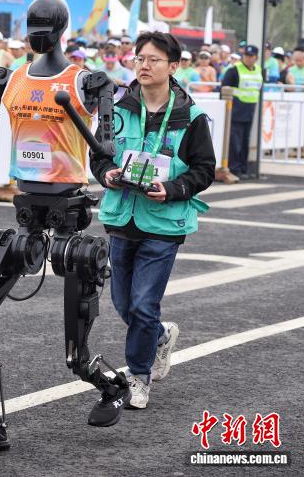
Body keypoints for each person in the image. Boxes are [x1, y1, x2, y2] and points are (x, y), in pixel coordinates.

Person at [91, 31, 215, 410]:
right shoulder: (116, 108)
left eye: (154, 60)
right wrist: (107, 173)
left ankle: (139, 376)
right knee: (124, 303)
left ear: (173, 66)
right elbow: (99, 154)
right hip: (122, 216)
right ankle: (159, 336)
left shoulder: (191, 117)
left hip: (164, 222)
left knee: (144, 304)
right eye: (139, 58)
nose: (144, 65)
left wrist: (173, 188)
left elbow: (204, 169)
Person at [221, 44, 263, 178]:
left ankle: (243, 168)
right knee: (235, 142)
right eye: (246, 55)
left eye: (251, 56)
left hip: (250, 111)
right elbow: (224, 89)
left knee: (245, 142)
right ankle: (235, 169)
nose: (248, 58)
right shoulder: (234, 70)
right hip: (236, 111)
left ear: (256, 58)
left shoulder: (259, 70)